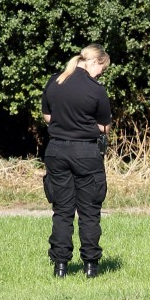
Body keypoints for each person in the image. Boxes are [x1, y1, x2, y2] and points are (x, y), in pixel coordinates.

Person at [41, 44, 112, 279]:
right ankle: (91, 266)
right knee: (89, 211)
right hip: (86, 154)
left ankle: (60, 266)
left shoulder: (55, 81)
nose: (101, 74)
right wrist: (87, 125)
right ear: (94, 62)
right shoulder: (96, 89)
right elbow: (104, 127)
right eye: (102, 69)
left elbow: (48, 117)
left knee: (62, 211)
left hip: (56, 151)